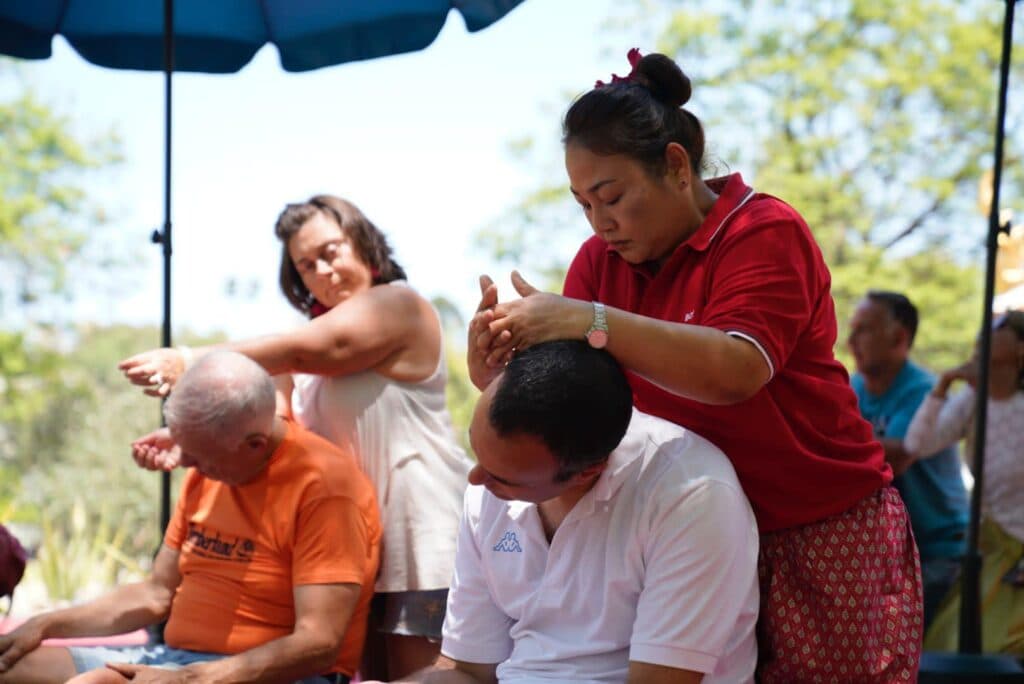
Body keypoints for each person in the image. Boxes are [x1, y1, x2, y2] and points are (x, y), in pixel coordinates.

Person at [468, 50, 921, 682]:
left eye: (612, 196)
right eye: (583, 205)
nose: (601, 223)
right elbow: (574, 405)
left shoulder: (764, 229)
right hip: (685, 529)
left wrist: (586, 320)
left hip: (817, 528)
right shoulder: (599, 264)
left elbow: (735, 371)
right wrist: (495, 369)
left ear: (675, 168)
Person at [118, 195, 472, 679]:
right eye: (306, 265)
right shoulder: (293, 356)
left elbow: (328, 348)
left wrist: (188, 357)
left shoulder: (399, 305)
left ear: (363, 242)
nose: (322, 270)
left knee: (419, 677)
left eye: (331, 251)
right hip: (349, 548)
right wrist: (195, 440)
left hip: (420, 534)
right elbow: (268, 434)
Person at [369, 340, 759, 684]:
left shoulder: (692, 495)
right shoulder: (492, 487)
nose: (476, 480)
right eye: (476, 449)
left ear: (589, 471)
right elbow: (469, 670)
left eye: (504, 477)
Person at [0, 351, 380, 683]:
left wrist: (191, 679)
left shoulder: (325, 488)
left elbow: (319, 644)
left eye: (201, 457)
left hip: (268, 675)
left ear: (255, 444)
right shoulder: (207, 471)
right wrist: (45, 624)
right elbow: (155, 594)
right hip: (176, 663)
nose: (188, 465)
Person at [848, 290, 969, 629]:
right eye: (852, 329)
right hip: (884, 555)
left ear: (899, 337)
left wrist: (831, 442)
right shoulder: (850, 387)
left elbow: (898, 456)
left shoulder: (923, 390)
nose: (851, 340)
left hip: (937, 549)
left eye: (864, 330)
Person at [906, 310, 1024, 654]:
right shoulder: (972, 401)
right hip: (991, 548)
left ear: (1020, 348)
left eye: (999, 328)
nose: (987, 331)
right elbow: (918, 445)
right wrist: (943, 386)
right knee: (951, 644)